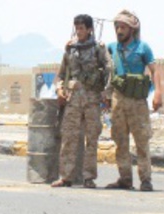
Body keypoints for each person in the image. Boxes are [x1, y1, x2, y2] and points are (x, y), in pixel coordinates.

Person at [51, 14, 111, 188]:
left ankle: (88, 177)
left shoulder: (99, 48)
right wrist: (60, 89)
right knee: (69, 137)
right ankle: (66, 176)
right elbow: (61, 74)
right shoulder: (71, 49)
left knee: (91, 139)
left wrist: (106, 94)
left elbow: (109, 69)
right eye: (76, 28)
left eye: (82, 28)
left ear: (90, 29)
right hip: (74, 99)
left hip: (92, 99)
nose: (79, 31)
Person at [104, 10, 161, 191]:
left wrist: (158, 92)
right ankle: (125, 179)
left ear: (131, 29)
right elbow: (106, 71)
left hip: (137, 101)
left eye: (123, 27)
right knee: (120, 141)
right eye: (117, 27)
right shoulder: (112, 48)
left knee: (141, 141)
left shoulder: (143, 48)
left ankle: (145, 179)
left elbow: (154, 70)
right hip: (118, 100)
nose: (119, 31)